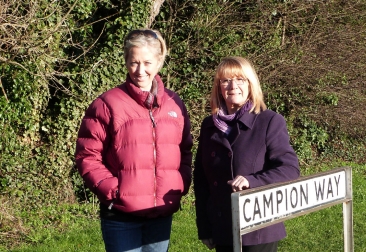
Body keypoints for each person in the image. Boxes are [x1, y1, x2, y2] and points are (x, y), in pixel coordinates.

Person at [75, 28, 193, 252]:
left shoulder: (175, 104)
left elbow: (185, 150)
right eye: (133, 62)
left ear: (159, 62)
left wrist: (180, 183)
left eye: (147, 63)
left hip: (161, 214)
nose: (140, 71)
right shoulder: (107, 104)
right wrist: (113, 191)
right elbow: (87, 155)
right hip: (121, 217)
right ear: (126, 62)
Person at [193, 56, 300, 252]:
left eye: (240, 79)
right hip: (223, 229)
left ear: (251, 84)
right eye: (225, 80)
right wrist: (205, 228)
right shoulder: (209, 126)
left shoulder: (269, 121)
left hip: (258, 230)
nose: (233, 86)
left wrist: (253, 181)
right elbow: (201, 181)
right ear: (218, 87)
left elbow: (290, 169)